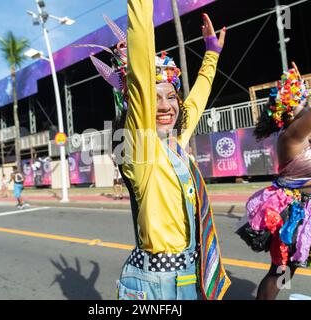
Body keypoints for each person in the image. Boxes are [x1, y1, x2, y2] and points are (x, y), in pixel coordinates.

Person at [87, 1, 230, 300]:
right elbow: (140, 79)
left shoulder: (174, 143)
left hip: (190, 277)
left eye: (171, 97)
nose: (165, 106)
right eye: (155, 100)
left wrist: (211, 54)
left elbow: (196, 101)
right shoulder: (142, 149)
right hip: (158, 286)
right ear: (141, 107)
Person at [236, 40, 311, 300]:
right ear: (290, 111)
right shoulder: (292, 134)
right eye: (302, 101)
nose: (307, 104)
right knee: (281, 271)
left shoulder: (298, 131)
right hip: (298, 213)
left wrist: (297, 83)